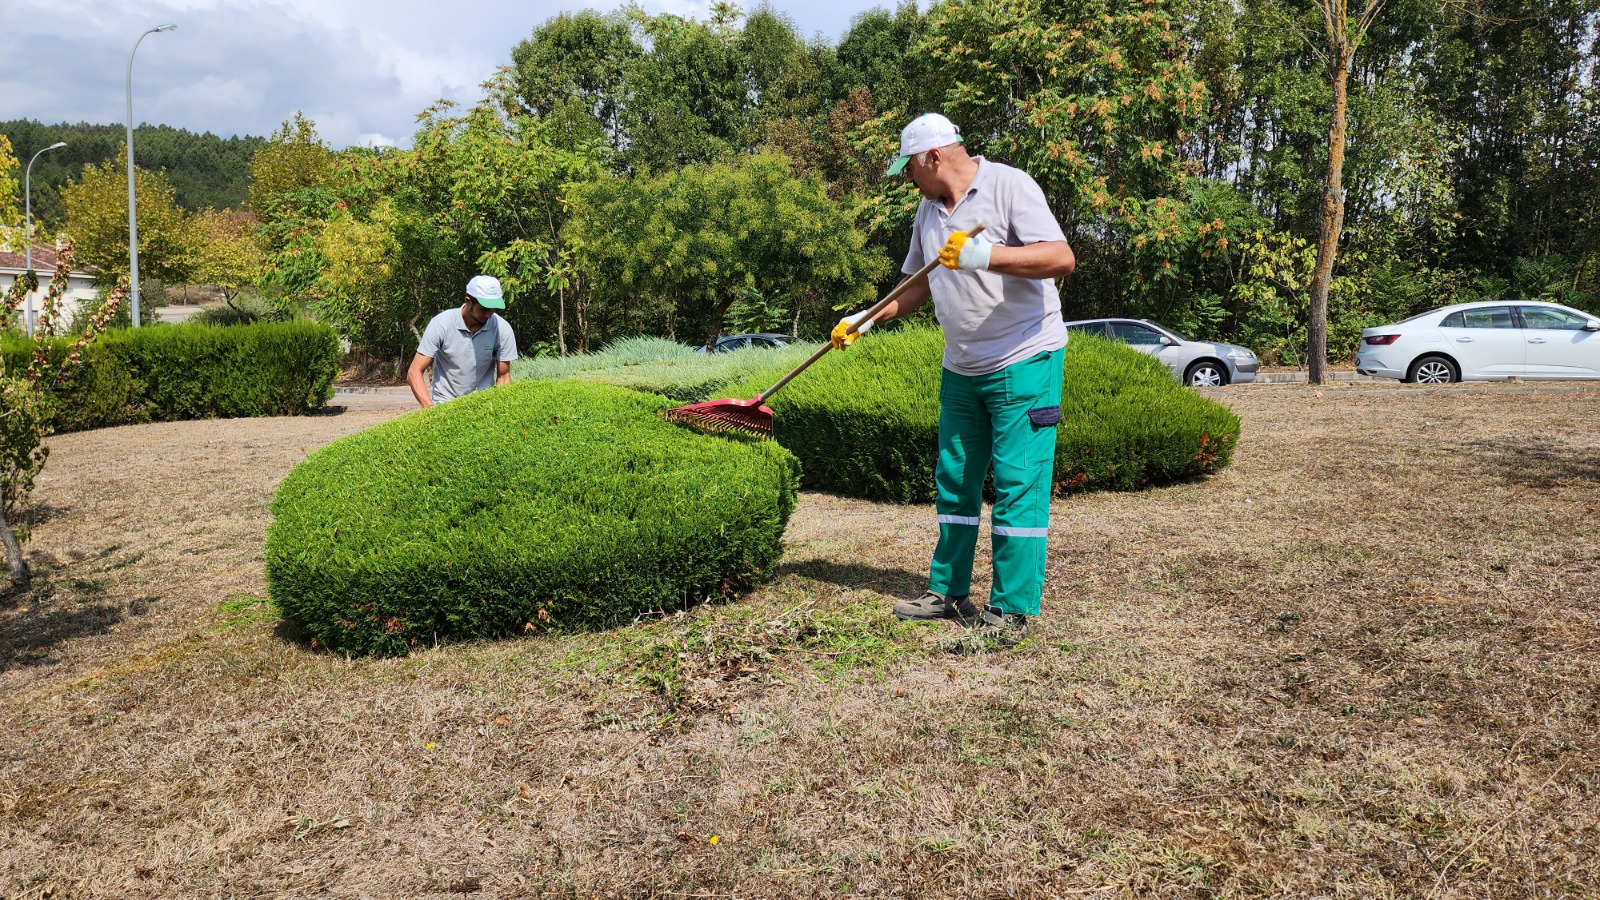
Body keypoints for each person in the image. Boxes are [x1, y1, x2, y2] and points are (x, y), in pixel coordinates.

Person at [831, 112, 1076, 653]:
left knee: (1018, 486)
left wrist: (985, 256)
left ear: (933, 157)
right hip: (961, 366)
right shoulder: (926, 211)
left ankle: (1011, 610)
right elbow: (916, 285)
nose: (906, 180)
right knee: (956, 481)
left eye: (909, 169)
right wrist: (866, 320)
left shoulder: (1010, 185)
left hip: (1025, 359)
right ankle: (948, 592)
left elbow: (1061, 258)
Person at [408, 275, 519, 409]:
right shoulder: (441, 324)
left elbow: (504, 377)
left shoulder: (502, 329)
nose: (489, 314)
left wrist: (501, 410)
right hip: (444, 403)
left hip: (483, 404)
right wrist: (429, 408)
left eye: (493, 309)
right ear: (468, 301)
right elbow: (414, 372)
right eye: (484, 309)